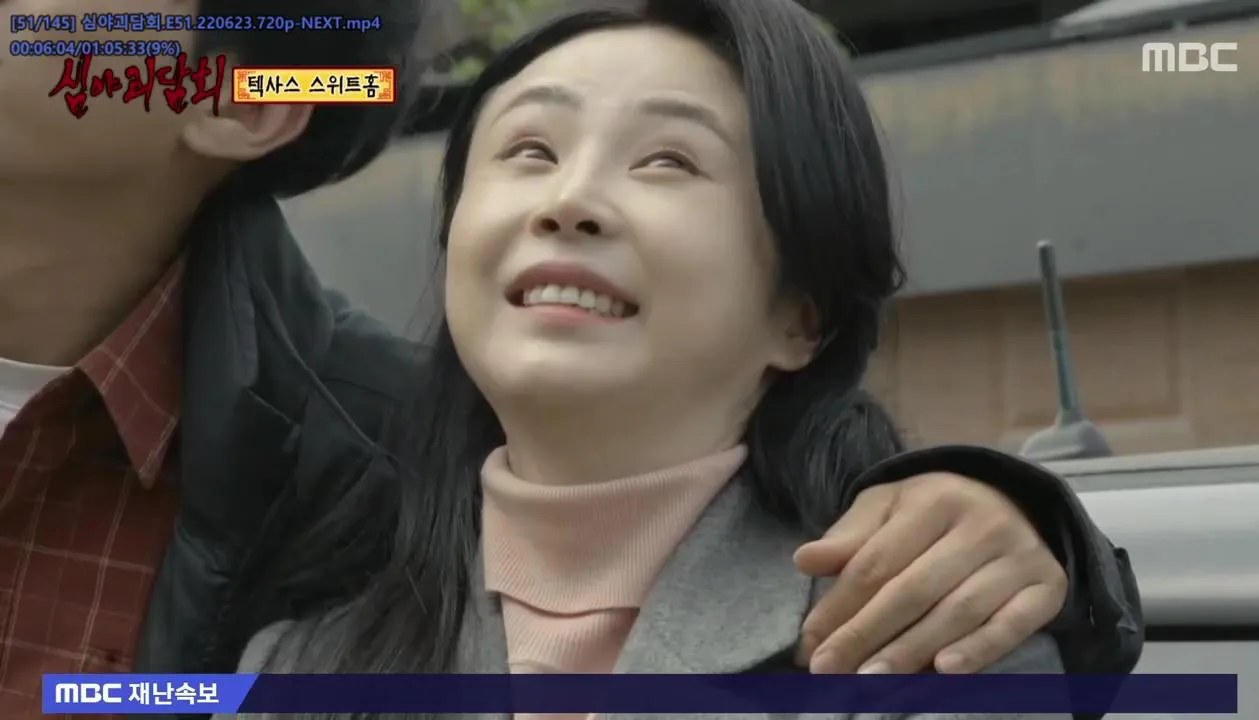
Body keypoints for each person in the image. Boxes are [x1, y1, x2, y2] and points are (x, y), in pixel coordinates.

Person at [0, 0, 1135, 717]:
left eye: (668, 162)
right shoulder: (303, 658)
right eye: (530, 150)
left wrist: (1037, 530)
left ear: (804, 313)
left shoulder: (913, 641)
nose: (570, 200)